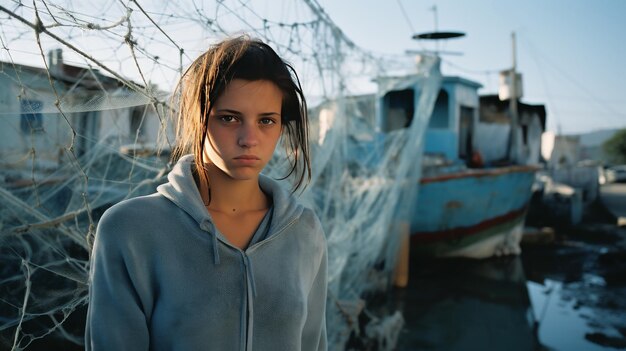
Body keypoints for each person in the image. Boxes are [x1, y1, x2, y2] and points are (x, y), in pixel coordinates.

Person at [85, 36, 328, 351]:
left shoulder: (304, 231)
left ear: (280, 127)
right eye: (229, 118)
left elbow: (312, 343)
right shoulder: (130, 229)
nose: (249, 139)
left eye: (266, 121)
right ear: (197, 119)